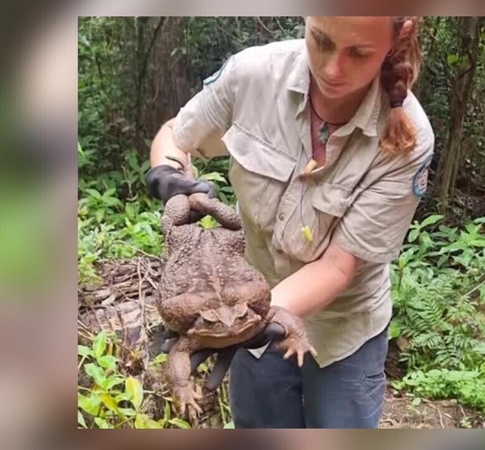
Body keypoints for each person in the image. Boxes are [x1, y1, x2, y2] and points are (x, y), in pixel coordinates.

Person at [145, 16, 434, 428]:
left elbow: (338, 266)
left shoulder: (407, 138)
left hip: (341, 333)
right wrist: (169, 173)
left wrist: (250, 320)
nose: (333, 69)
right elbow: (176, 134)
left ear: (396, 39)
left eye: (359, 53)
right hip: (244, 309)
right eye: (321, 40)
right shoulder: (253, 76)